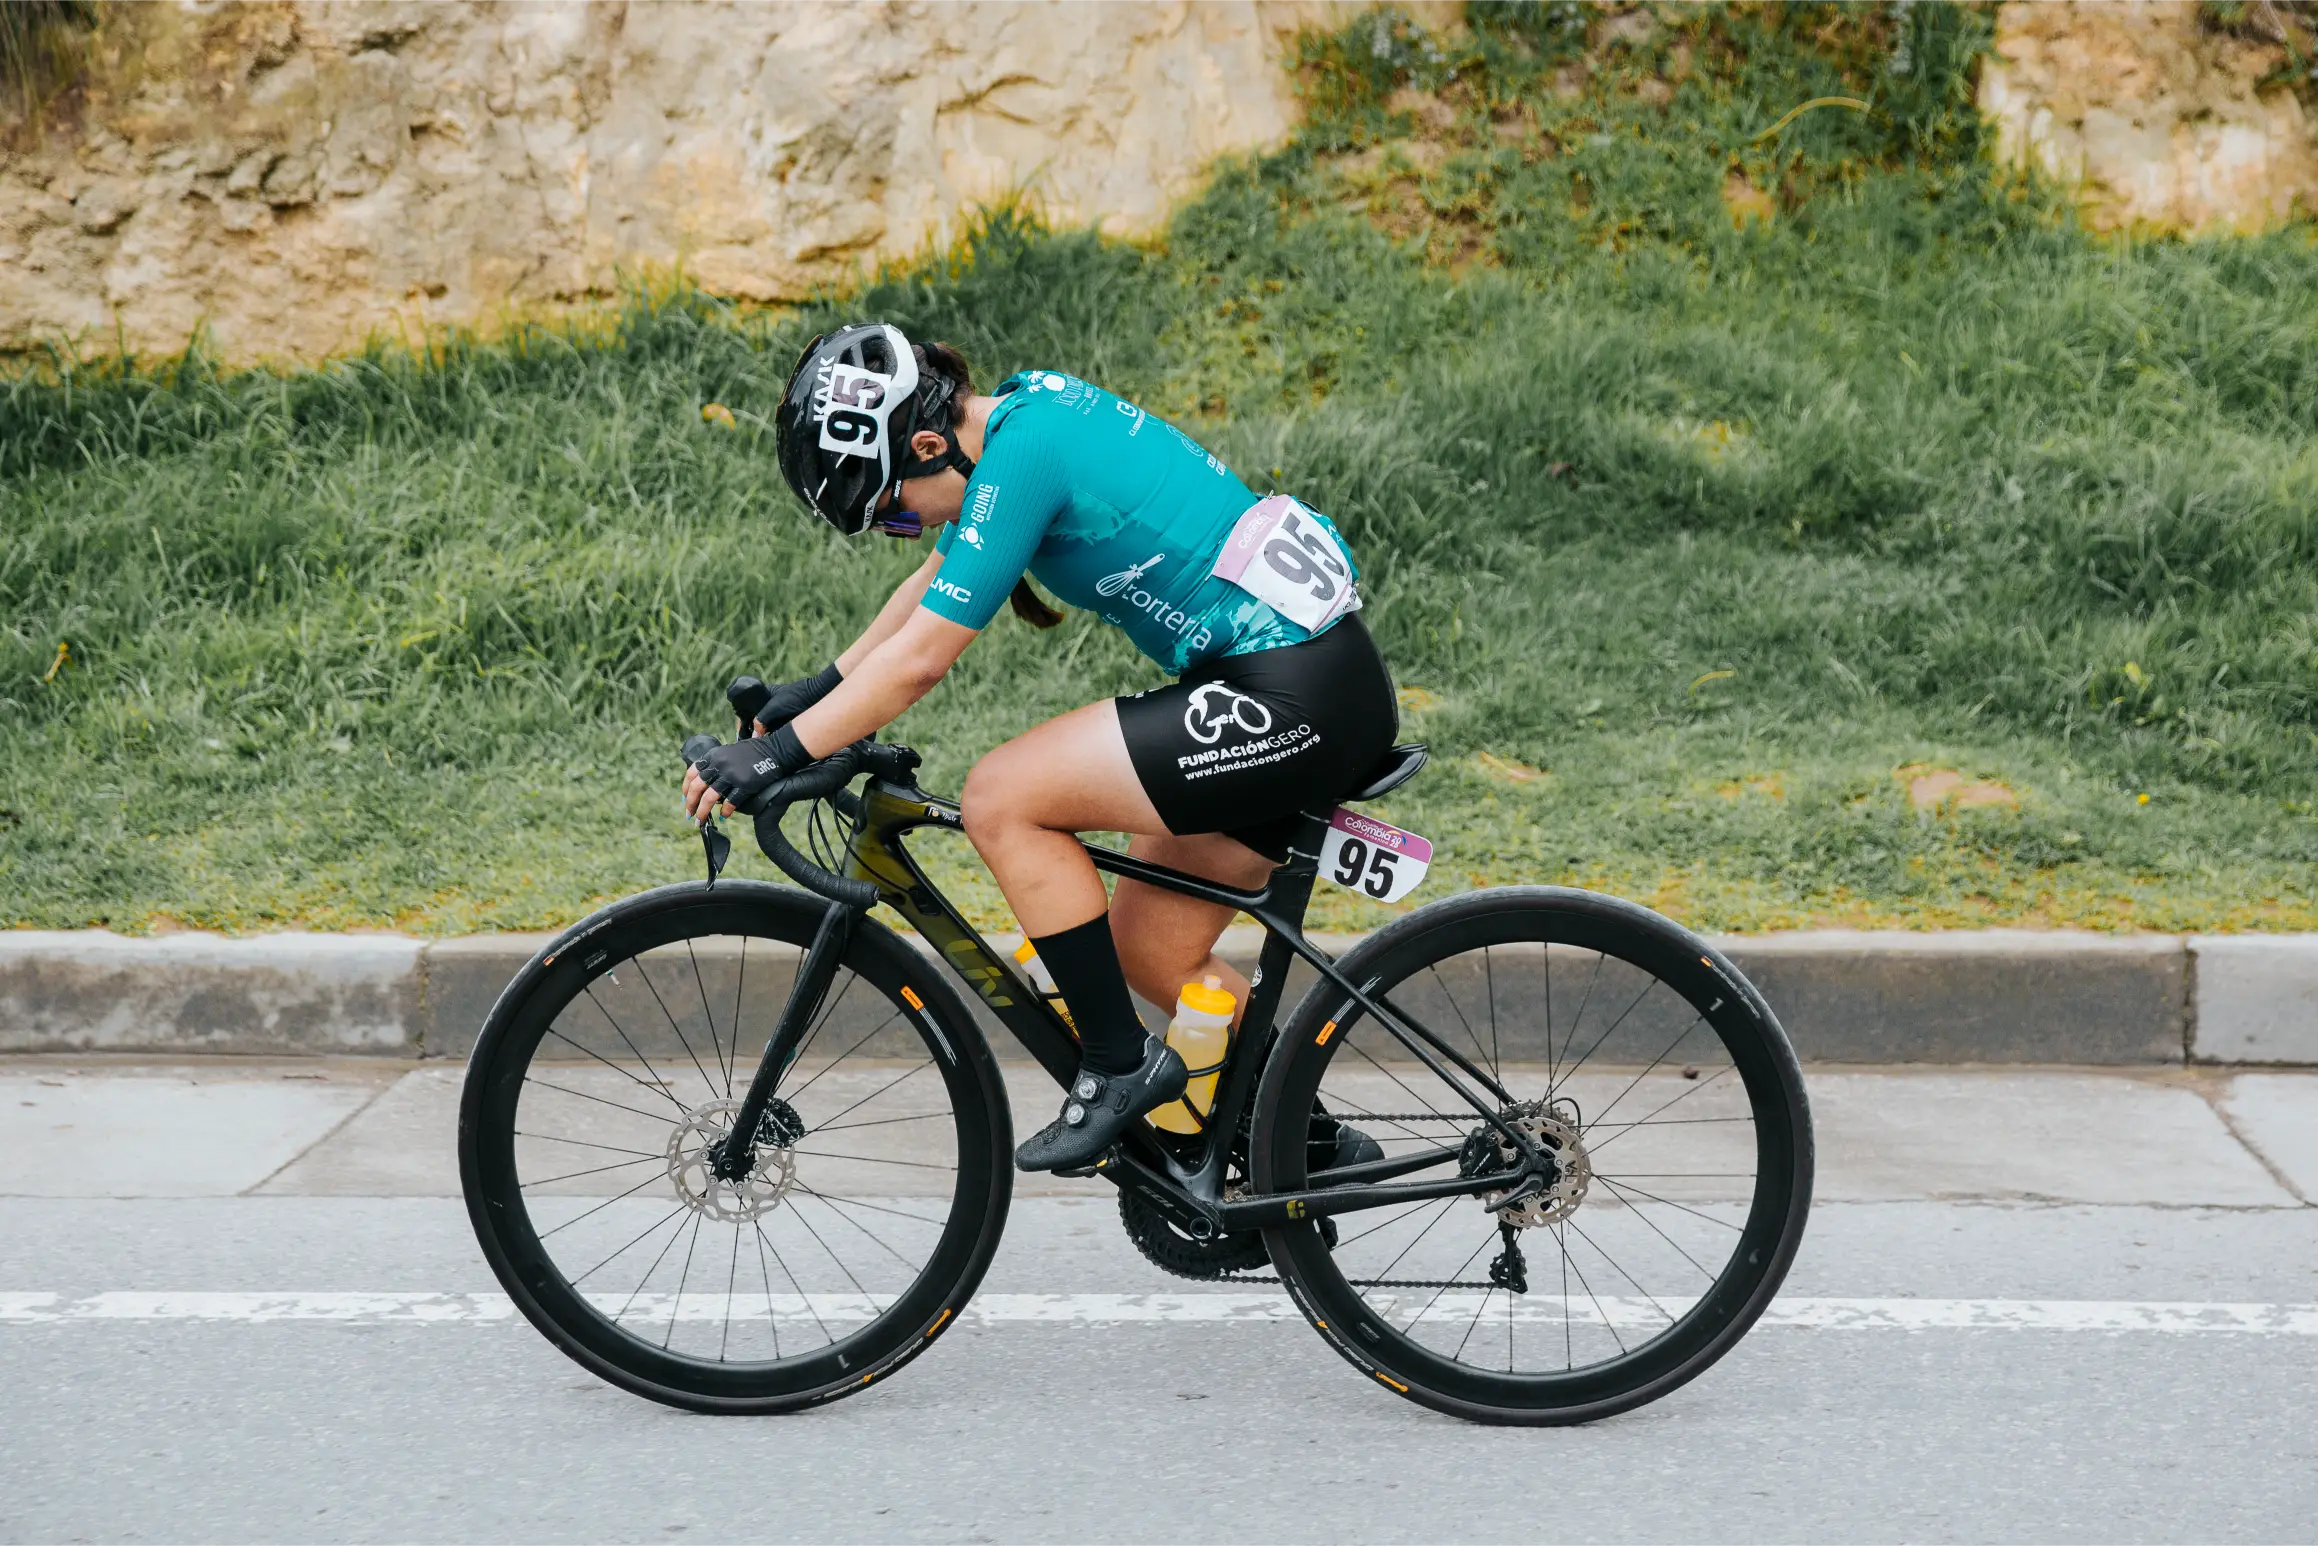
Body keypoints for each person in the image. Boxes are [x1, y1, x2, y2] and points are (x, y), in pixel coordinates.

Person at [684, 323, 1396, 1174]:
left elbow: (922, 660)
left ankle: (1119, 1066)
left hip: (1293, 696)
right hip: (1297, 686)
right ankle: (1304, 1147)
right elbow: (934, 584)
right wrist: (820, 689)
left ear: (926, 445)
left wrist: (778, 755)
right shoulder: (1021, 419)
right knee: (1149, 952)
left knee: (1003, 798)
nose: (906, 528)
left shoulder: (1028, 454)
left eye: (895, 512)